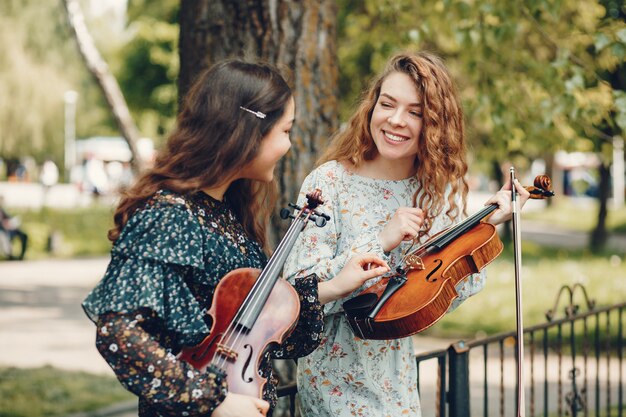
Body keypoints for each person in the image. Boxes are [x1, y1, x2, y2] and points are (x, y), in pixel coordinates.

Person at [82, 59, 389, 417]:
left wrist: (332, 286)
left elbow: (255, 333)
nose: (289, 146)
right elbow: (119, 334)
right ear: (249, 131)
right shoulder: (169, 215)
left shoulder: (225, 211)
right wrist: (211, 401)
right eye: (285, 130)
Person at [283, 51, 531, 417]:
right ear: (372, 107)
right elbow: (298, 291)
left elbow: (436, 297)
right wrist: (379, 241)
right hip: (334, 389)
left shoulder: (434, 190)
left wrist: (486, 225)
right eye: (387, 104)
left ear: (434, 125)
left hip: (398, 389)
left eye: (415, 112)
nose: (396, 120)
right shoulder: (329, 182)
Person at [0, 195, 28, 260]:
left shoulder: (2, 210)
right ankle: (9, 256)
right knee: (4, 237)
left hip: (10, 228)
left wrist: (11, 223)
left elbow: (9, 218)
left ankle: (21, 256)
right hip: (3, 230)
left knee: (24, 235)